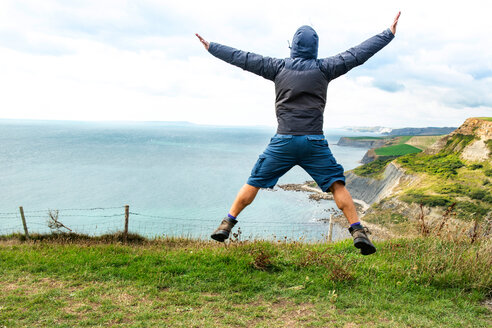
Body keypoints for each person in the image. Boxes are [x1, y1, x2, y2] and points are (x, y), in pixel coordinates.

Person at [196, 12, 401, 255]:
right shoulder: (325, 68)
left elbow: (244, 58)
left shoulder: (277, 67)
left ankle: (227, 223)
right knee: (337, 185)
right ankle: (357, 230)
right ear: (315, 48)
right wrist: (387, 34)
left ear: (293, 47)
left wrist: (212, 47)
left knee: (254, 181)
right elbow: (357, 54)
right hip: (314, 142)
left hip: (283, 141)